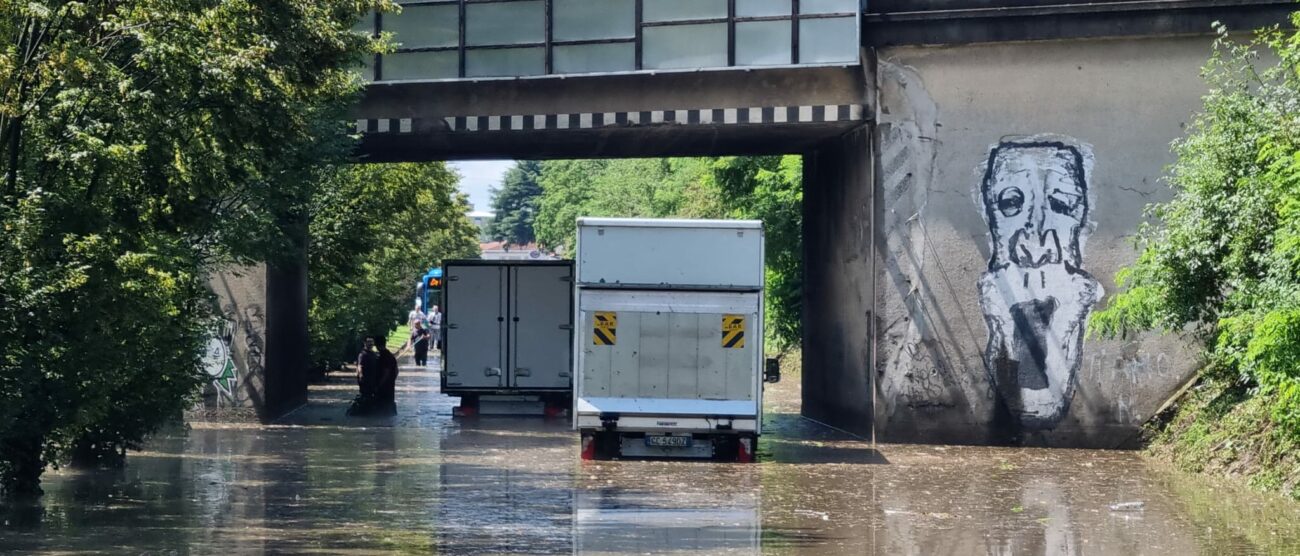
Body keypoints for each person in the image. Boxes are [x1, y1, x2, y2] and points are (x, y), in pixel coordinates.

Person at [348, 337, 380, 416]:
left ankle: (369, 411)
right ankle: (361, 411)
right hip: (365, 379)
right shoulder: (362, 354)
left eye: (372, 342)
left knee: (371, 395)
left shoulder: (373, 354)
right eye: (369, 342)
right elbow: (360, 366)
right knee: (365, 395)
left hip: (373, 379)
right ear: (364, 343)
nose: (371, 344)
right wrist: (361, 376)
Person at [376, 335, 399, 415]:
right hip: (390, 387)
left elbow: (386, 372)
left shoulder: (383, 356)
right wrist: (392, 380)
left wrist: (379, 385)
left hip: (383, 388)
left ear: (377, 345)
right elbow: (396, 371)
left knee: (382, 411)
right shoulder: (391, 356)